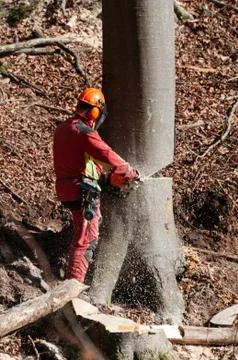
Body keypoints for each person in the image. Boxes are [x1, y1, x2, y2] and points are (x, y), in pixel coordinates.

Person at [53, 88, 140, 283]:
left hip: (68, 187)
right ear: (96, 111)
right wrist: (128, 171)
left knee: (82, 236)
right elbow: (105, 153)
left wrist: (107, 178)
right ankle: (73, 288)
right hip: (82, 190)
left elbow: (84, 160)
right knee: (86, 241)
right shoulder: (85, 132)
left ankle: (72, 284)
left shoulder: (64, 128)